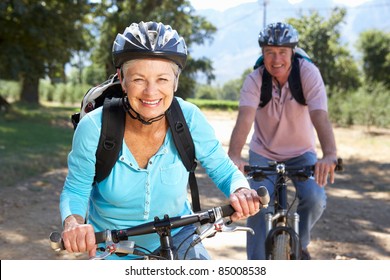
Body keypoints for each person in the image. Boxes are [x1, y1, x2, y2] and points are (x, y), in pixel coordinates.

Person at [59, 21, 263, 260]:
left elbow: (224, 169)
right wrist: (73, 223)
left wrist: (241, 190)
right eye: (138, 80)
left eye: (162, 80)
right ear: (122, 80)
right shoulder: (94, 127)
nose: (151, 92)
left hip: (180, 234)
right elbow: (76, 187)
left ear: (175, 82)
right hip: (112, 244)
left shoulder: (189, 118)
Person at [228, 22, 338, 260]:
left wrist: (329, 154)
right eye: (269, 52)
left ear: (293, 52)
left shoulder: (308, 74)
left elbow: (320, 115)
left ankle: (301, 243)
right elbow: (244, 119)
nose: (276, 59)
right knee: (256, 202)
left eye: (282, 52)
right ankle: (256, 266)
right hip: (263, 153)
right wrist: (235, 156)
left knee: (315, 198)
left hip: (301, 152)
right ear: (262, 53)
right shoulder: (255, 79)